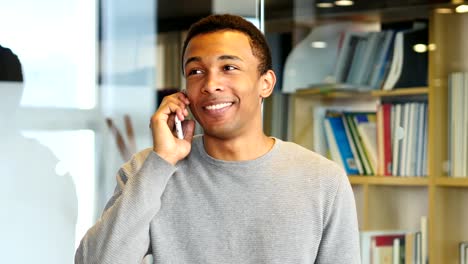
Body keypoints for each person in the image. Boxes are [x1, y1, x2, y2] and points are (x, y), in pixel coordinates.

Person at [75, 14, 360, 264]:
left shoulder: (323, 180)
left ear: (266, 83)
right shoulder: (149, 171)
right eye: (196, 72)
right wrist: (161, 162)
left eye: (229, 68)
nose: (210, 85)